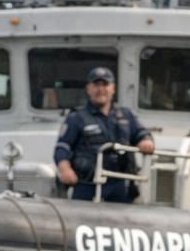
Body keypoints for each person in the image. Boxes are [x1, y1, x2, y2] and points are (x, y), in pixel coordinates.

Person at [54, 66, 154, 202]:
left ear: (113, 88)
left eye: (105, 85)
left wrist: (146, 141)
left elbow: (141, 133)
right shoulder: (76, 118)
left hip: (120, 185)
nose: (101, 89)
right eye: (96, 85)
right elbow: (62, 147)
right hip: (87, 185)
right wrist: (65, 169)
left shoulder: (126, 115)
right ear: (88, 88)